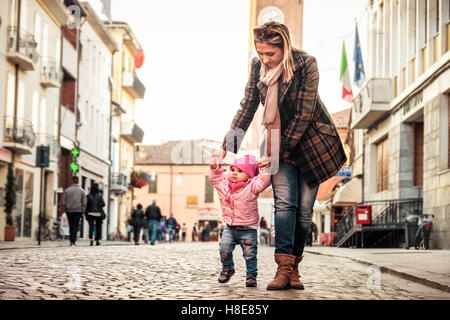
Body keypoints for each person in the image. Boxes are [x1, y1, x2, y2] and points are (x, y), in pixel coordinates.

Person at [216, 22, 346, 290]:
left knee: (304, 213)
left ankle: (294, 268)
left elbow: (304, 114)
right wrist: (227, 147)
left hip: (312, 143)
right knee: (285, 205)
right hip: (276, 142)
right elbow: (248, 106)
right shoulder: (257, 67)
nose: (265, 59)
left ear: (284, 47)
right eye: (261, 53)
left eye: (270, 54)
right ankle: (283, 269)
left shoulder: (306, 64)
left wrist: (279, 150)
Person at [209, 154, 271, 287]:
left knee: (250, 254)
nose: (235, 174)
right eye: (233, 170)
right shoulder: (224, 184)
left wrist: (265, 169)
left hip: (248, 228)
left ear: (249, 175)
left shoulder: (253, 186)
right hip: (230, 227)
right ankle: (228, 268)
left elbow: (264, 181)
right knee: (224, 248)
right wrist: (215, 169)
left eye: (240, 171)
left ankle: (251, 275)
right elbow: (215, 179)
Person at [62, 176, 87, 247]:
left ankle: (71, 240)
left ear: (72, 181)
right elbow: (84, 202)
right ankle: (73, 240)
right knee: (75, 226)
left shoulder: (67, 190)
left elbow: (64, 201)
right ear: (78, 181)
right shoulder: (82, 191)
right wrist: (83, 211)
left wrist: (65, 208)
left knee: (71, 225)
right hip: (78, 211)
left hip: (69, 210)